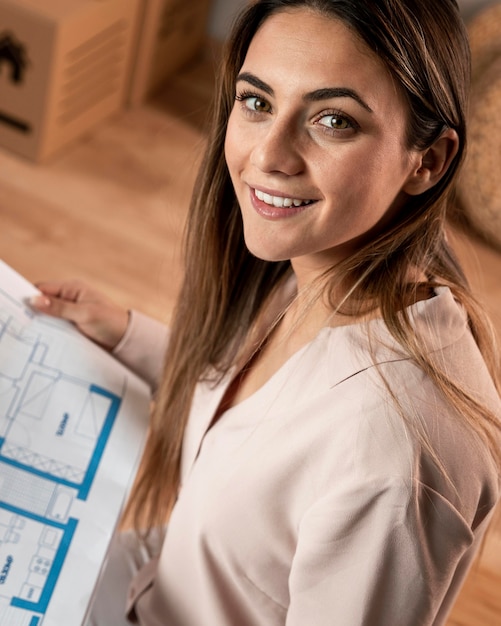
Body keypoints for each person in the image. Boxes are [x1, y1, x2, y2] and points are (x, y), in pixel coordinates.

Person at [31, 0, 501, 624]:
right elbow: (272, 418)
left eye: (333, 120)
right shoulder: (325, 270)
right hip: (155, 581)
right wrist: (126, 334)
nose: (269, 155)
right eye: (257, 102)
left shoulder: (396, 459)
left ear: (429, 161)